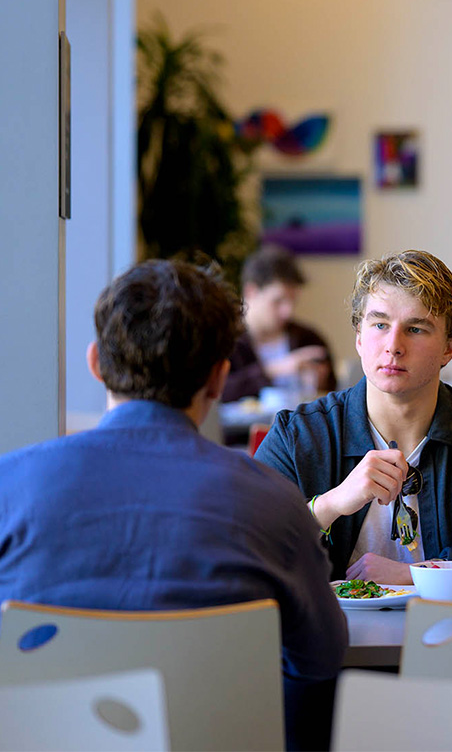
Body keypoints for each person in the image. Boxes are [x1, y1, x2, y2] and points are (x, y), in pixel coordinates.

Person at [0, 260, 346, 749]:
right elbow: (320, 661)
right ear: (218, 378)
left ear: (96, 362)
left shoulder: (8, 486)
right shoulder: (272, 503)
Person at [255, 250, 452, 596]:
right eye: (379, 325)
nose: (393, 346)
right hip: (328, 646)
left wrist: (422, 573)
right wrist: (330, 505)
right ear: (359, 338)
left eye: (416, 329)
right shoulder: (298, 434)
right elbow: (240, 549)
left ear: (449, 347)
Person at [221, 244, 336, 402]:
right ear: (251, 292)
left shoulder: (309, 339)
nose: (287, 311)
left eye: (292, 301)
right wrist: (273, 371)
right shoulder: (225, 340)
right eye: (278, 301)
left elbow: (333, 398)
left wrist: (319, 384)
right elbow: (216, 392)